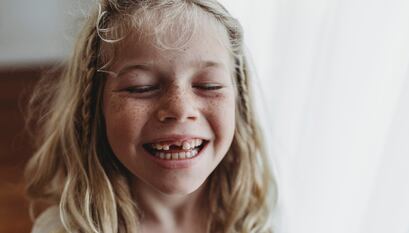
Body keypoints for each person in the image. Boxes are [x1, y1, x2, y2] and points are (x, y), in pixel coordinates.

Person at [25, 0, 277, 232]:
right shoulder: (64, 228)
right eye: (141, 88)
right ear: (94, 108)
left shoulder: (258, 217)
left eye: (209, 85)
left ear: (238, 102)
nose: (180, 109)